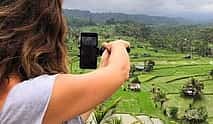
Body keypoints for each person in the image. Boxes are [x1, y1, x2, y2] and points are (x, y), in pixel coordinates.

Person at [0, 0, 130, 124]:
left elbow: (68, 116)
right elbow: (119, 71)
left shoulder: (14, 96)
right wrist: (119, 46)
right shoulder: (29, 95)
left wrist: (102, 69)